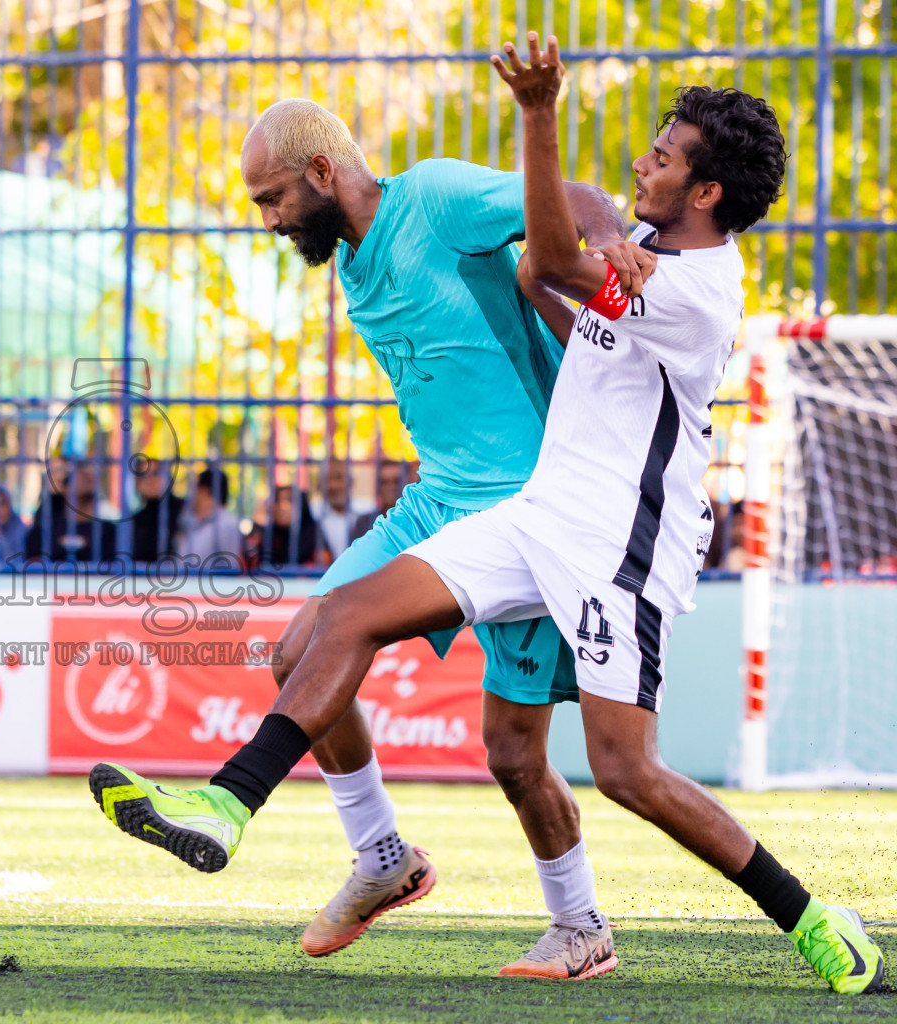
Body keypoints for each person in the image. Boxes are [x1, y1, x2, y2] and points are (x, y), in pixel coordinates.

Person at [93, 54, 882, 995]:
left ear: (707, 191)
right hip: (535, 511)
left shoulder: (697, 289)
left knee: (624, 770)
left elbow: (558, 257)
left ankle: (809, 916)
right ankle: (230, 803)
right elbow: (565, 294)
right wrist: (539, 282)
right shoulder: (647, 247)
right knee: (344, 618)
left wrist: (539, 113)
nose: (643, 162)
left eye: (665, 157)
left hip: (618, 546)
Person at [87, 93, 651, 964]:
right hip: (434, 503)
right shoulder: (350, 259)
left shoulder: (436, 198)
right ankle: (382, 856)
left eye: (273, 198)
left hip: (531, 511)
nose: (269, 221)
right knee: (297, 652)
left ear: (323, 171)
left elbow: (569, 198)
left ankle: (580, 926)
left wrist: (609, 239)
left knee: (513, 755)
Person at [25, 460, 120, 562]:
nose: (90, 476)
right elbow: (34, 565)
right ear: (64, 485)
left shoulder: (109, 532)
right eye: (82, 472)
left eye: (92, 471)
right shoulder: (43, 531)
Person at [177, 466, 245, 564]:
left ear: (205, 491)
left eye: (195, 489)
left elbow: (231, 565)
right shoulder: (198, 523)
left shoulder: (226, 525)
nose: (192, 495)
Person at [314, 460, 373, 562]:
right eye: (327, 479)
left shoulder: (368, 510)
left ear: (351, 482)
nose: (332, 485)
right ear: (319, 485)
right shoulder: (313, 514)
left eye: (339, 478)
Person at [248, 484, 319, 568]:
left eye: (290, 500)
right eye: (277, 500)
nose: (282, 506)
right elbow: (249, 564)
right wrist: (257, 526)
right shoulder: (266, 538)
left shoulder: (316, 539)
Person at [129, 458, 184, 562]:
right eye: (143, 475)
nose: (150, 480)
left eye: (155, 473)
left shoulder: (184, 509)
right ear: (137, 484)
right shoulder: (136, 521)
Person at [347, 460, 412, 544]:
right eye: (384, 482)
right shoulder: (365, 522)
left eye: (396, 481)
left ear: (408, 482)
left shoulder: (418, 521)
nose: (390, 487)